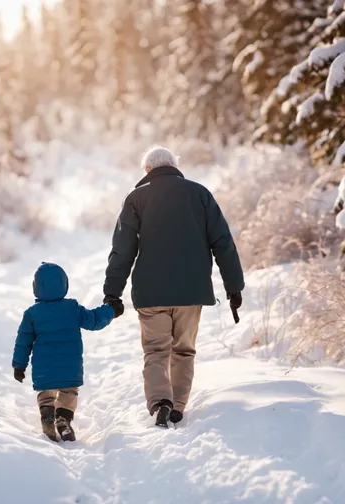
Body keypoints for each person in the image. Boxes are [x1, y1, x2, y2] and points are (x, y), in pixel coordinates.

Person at [103, 146, 244, 428]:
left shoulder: (136, 199)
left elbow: (123, 250)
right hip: (191, 292)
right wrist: (234, 286)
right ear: (174, 166)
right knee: (183, 350)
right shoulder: (200, 194)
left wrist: (112, 293)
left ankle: (160, 403)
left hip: (150, 293)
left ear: (147, 171)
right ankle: (178, 406)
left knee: (155, 351)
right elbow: (223, 243)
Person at [12, 262, 124, 442]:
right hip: (69, 368)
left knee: (45, 393)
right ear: (64, 285)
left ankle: (47, 414)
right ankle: (63, 418)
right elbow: (94, 320)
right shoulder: (73, 308)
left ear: (35, 287)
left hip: (44, 370)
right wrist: (111, 310)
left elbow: (23, 341)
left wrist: (19, 365)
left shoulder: (32, 314)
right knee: (68, 392)